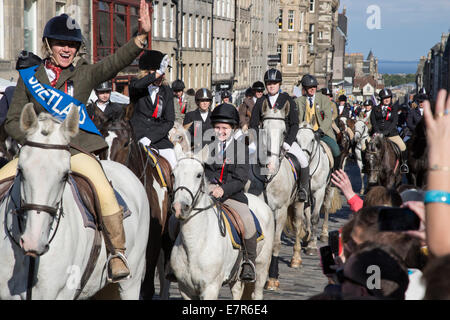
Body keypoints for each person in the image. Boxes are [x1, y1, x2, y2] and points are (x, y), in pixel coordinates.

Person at [1, 3, 151, 282]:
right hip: (36, 152)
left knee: (105, 190)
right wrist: (34, 141)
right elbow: (11, 121)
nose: (67, 49)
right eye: (61, 44)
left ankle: (117, 252)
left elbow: (114, 63)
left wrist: (139, 38)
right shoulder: (29, 77)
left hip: (75, 150)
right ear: (48, 45)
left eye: (72, 44)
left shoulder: (84, 73)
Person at [205, 103, 257, 282]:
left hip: (232, 196)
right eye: (217, 127)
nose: (220, 131)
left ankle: (249, 262)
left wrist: (223, 189)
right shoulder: (208, 146)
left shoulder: (240, 148)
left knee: (248, 222)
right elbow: (204, 170)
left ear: (233, 128)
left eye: (225, 128)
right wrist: (210, 185)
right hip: (208, 193)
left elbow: (241, 178)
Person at [250, 68, 310, 202]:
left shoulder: (288, 100)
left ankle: (303, 189)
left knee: (303, 160)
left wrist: (288, 142)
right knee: (246, 157)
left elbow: (294, 124)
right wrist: (259, 141)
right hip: (264, 142)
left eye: (274, 83)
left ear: (279, 84)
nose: (271, 86)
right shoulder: (260, 102)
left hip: (285, 140)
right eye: (269, 83)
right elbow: (253, 124)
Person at [129, 49, 176, 170]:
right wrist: (157, 73)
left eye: (163, 72)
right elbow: (137, 85)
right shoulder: (136, 85)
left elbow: (169, 121)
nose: (161, 75)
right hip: (136, 136)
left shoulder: (167, 91)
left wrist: (150, 138)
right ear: (147, 72)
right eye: (158, 72)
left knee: (174, 163)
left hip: (158, 138)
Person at [296, 74, 341, 171]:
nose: (312, 89)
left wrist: (320, 130)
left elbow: (328, 117)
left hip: (322, 133)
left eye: (314, 87)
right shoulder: (298, 101)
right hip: (304, 134)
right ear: (305, 88)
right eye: (309, 87)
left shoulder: (324, 99)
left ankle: (335, 174)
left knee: (336, 151)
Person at [370, 88, 408, 174]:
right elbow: (373, 121)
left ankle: (404, 165)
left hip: (392, 134)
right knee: (366, 147)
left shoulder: (394, 108)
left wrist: (387, 132)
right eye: (385, 98)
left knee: (403, 146)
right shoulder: (375, 109)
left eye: (388, 97)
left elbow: (394, 122)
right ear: (381, 99)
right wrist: (378, 131)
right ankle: (367, 166)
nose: (387, 99)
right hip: (377, 134)